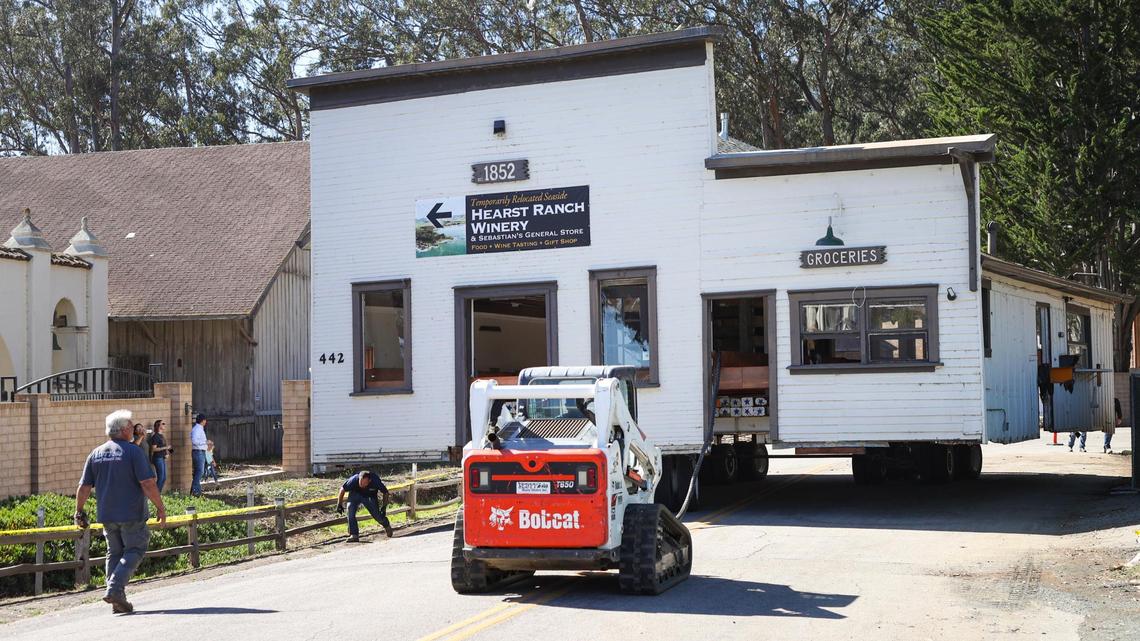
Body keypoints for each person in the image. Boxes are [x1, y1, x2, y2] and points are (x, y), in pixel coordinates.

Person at [75, 409, 166, 614]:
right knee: (135, 550)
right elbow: (148, 483)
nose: (134, 429)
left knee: (114, 552)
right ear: (125, 429)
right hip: (132, 513)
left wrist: (78, 511)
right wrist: (160, 507)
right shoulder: (134, 452)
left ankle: (118, 601)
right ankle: (115, 588)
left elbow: (84, 487)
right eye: (132, 426)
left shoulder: (96, 453)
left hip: (107, 514)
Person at [336, 470, 393, 542]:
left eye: (364, 483)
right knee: (350, 510)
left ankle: (386, 524)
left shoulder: (375, 481)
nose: (362, 485)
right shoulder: (354, 479)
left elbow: (385, 493)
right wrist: (339, 504)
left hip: (369, 496)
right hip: (355, 494)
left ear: (369, 481)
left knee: (377, 515)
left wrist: (384, 507)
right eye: (360, 482)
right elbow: (342, 489)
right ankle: (354, 535)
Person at [148, 419, 172, 492]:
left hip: (162, 458)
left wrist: (167, 452)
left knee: (164, 478)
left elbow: (163, 447)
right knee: (161, 477)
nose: (165, 425)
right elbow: (153, 449)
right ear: (159, 426)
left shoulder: (161, 436)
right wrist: (165, 448)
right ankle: (156, 495)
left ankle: (158, 494)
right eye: (163, 424)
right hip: (157, 458)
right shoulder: (156, 436)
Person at [190, 414, 208, 496]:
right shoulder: (197, 429)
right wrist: (204, 443)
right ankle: (196, 491)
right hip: (198, 452)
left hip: (200, 451)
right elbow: (194, 441)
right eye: (205, 420)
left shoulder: (199, 428)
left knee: (199, 472)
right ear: (203, 420)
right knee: (200, 472)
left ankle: (195, 489)